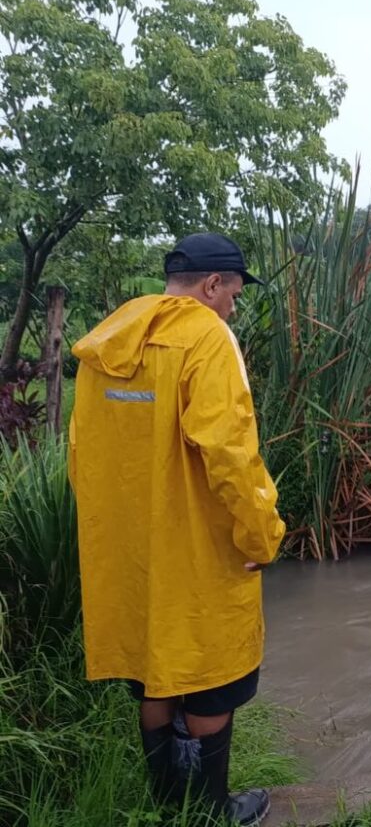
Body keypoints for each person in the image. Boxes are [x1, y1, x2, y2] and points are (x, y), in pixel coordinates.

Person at [67, 232, 287, 825]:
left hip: (131, 548)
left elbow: (80, 450)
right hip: (199, 545)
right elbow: (231, 455)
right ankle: (213, 811)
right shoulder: (207, 338)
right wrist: (261, 536)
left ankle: (168, 802)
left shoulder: (110, 337)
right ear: (212, 285)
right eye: (234, 294)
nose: (234, 308)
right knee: (212, 673)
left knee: (154, 671)